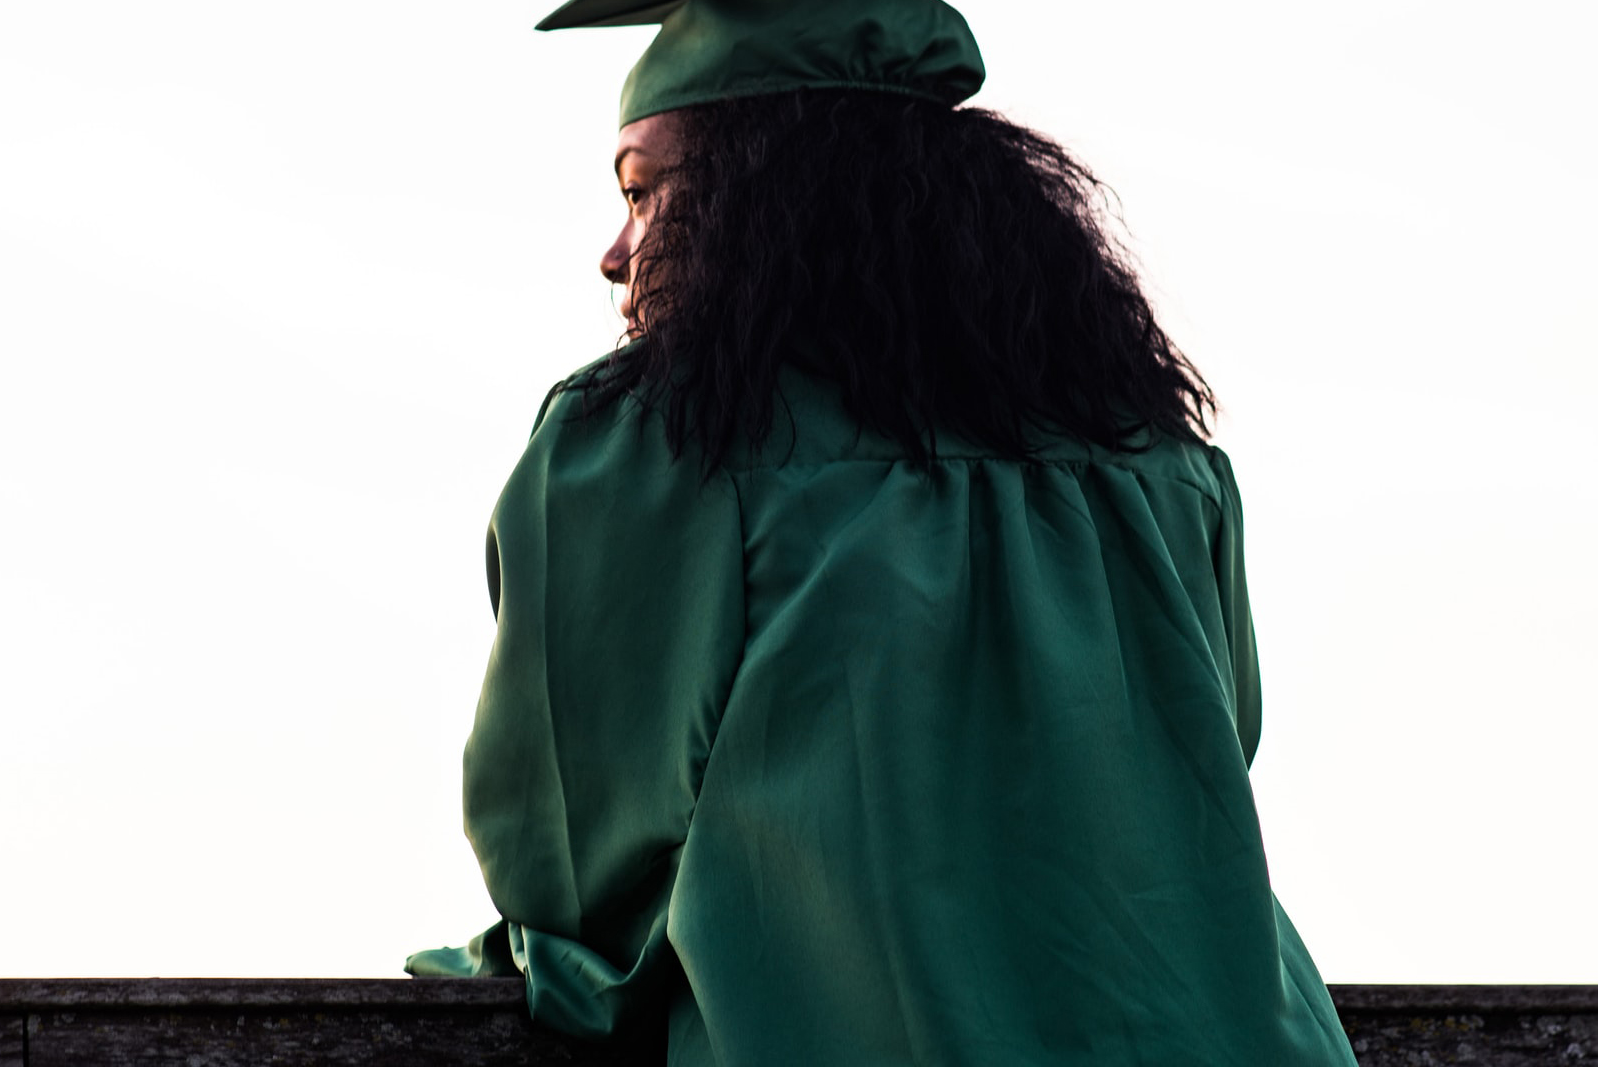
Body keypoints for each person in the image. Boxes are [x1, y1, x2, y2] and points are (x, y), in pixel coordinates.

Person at [407, 1, 1362, 1064]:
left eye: (641, 192)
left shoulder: (654, 442)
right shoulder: (1160, 457)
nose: (615, 254)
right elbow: (1206, 759)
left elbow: (576, 869)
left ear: (755, 200)